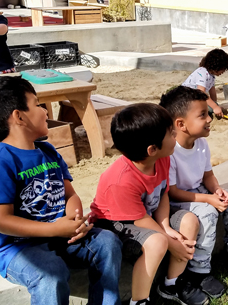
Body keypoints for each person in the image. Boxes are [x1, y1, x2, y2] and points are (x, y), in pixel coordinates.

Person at [0, 76, 122, 305]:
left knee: (107, 243)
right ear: (18, 116)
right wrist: (54, 229)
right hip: (18, 248)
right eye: (37, 104)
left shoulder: (47, 151)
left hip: (60, 235)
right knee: (51, 273)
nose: (45, 112)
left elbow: (69, 194)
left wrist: (74, 219)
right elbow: (2, 221)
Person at [90, 103, 208, 305]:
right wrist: (172, 244)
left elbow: (162, 193)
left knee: (189, 220)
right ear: (152, 149)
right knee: (158, 242)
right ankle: (140, 301)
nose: (175, 136)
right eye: (171, 133)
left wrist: (166, 226)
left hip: (148, 215)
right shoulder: (121, 180)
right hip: (118, 223)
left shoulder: (163, 157)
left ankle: (171, 285)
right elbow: (140, 219)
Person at [159, 86, 228, 300]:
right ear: (181, 124)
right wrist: (208, 199)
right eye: (202, 114)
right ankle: (199, 271)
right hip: (178, 200)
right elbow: (173, 192)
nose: (209, 118)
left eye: (208, 112)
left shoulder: (201, 143)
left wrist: (217, 190)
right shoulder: (170, 153)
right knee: (207, 212)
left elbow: (208, 176)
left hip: (199, 191)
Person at [182, 48, 228, 119]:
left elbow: (212, 92)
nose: (224, 71)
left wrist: (215, 104)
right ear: (216, 66)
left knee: (210, 108)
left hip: (195, 99)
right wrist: (214, 107)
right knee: (206, 110)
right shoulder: (202, 73)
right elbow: (201, 92)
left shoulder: (211, 76)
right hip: (185, 100)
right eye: (223, 68)